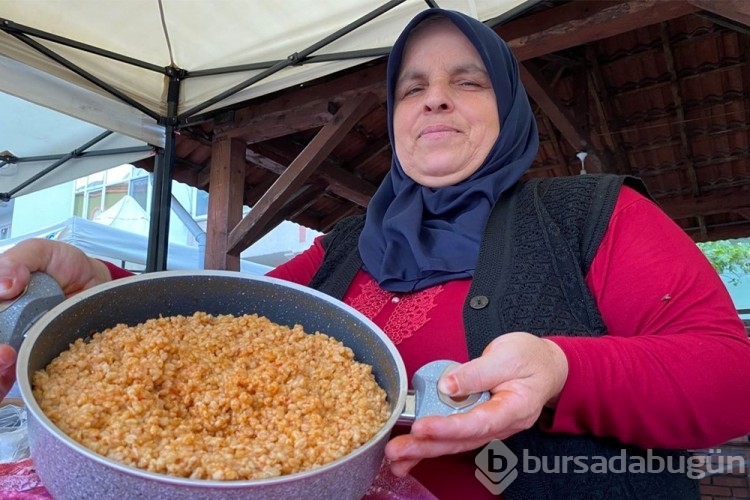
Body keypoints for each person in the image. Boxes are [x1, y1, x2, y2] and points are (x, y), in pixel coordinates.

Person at [1, 8, 749, 499]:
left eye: (469, 81)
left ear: (510, 110)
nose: (435, 99)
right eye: (412, 87)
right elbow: (212, 324)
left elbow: (730, 380)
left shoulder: (592, 216)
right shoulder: (349, 245)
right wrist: (91, 282)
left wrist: (560, 368)